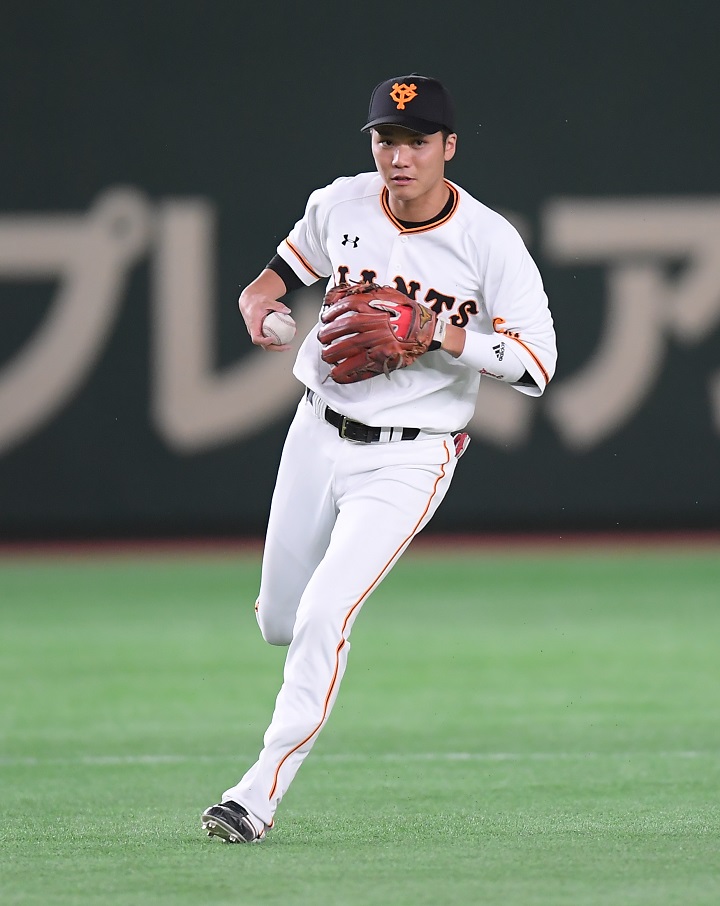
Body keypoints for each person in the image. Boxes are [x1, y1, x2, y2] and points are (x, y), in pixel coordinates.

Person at [201, 74, 557, 843]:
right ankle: (296, 640)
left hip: (410, 458)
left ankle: (255, 797)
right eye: (386, 140)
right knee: (281, 621)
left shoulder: (489, 241)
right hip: (315, 427)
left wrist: (439, 334)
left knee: (325, 615)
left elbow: (536, 365)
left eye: (417, 141)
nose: (399, 157)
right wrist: (259, 302)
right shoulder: (343, 203)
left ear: (448, 147)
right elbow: (279, 272)